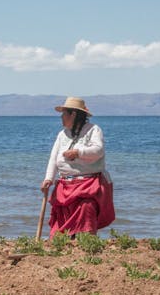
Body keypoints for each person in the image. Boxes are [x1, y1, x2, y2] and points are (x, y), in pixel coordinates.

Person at [40, 97, 115, 239]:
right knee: (62, 221)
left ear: (73, 114)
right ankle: (64, 243)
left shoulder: (93, 130)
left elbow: (98, 151)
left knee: (87, 209)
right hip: (65, 185)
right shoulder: (62, 135)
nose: (61, 117)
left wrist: (78, 152)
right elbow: (53, 158)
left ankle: (86, 242)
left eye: (64, 114)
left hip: (88, 185)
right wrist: (48, 178)